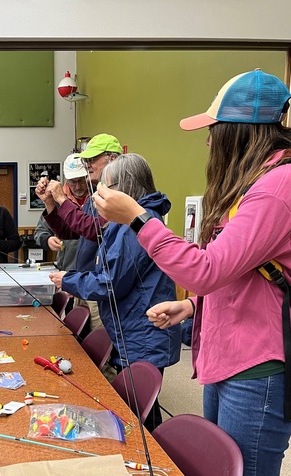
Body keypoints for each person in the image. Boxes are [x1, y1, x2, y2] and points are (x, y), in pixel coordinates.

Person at [93, 69, 291, 476]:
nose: (207, 141)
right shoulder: (256, 185)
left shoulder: (277, 187)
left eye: (213, 129)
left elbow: (207, 268)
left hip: (257, 368)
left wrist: (137, 217)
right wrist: (192, 304)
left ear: (240, 132)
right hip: (226, 357)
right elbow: (239, 271)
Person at [49, 153, 181, 431]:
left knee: (141, 413)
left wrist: (68, 280)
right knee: (136, 407)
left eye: (106, 188)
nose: (100, 195)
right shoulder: (128, 222)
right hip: (134, 327)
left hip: (143, 331)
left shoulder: (134, 226)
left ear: (125, 188)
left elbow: (110, 283)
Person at [36, 133, 123, 331]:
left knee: (100, 349)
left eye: (92, 160)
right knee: (81, 342)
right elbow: (71, 231)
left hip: (99, 286)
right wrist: (50, 202)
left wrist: (61, 200)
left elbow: (93, 229)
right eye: (86, 161)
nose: (88, 165)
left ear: (112, 159)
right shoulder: (97, 193)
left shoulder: (117, 196)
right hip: (84, 284)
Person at [34, 154, 90, 313]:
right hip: (68, 274)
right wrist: (48, 239)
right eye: (73, 182)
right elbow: (40, 232)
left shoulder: (95, 201)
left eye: (81, 180)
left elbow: (87, 229)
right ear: (66, 180)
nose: (78, 186)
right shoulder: (58, 201)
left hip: (91, 277)